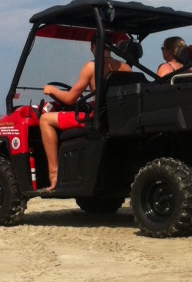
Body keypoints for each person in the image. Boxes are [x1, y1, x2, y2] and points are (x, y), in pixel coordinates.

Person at [40, 37, 131, 191]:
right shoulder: (126, 68)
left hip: (97, 118)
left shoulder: (91, 67)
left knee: (45, 119)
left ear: (93, 47)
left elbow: (70, 99)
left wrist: (51, 90)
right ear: (110, 47)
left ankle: (54, 175)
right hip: (116, 118)